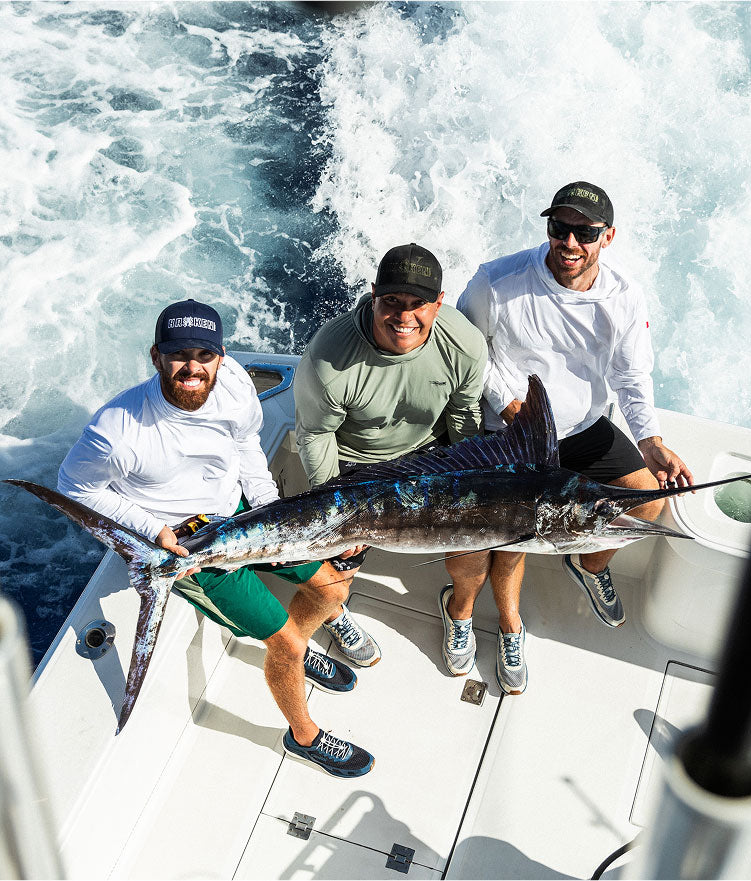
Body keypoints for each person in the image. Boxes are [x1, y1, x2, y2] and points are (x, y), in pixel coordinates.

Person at [57, 299, 374, 778]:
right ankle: (304, 734)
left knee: (332, 588)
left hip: (242, 515)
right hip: (187, 548)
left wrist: (270, 509)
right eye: (178, 355)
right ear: (156, 356)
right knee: (286, 645)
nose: (192, 367)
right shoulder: (115, 430)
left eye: (204, 355)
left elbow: (246, 445)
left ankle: (299, 645)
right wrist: (154, 530)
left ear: (220, 357)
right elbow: (74, 488)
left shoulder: (235, 384)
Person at [456, 180, 694, 651]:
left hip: (582, 427)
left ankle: (589, 566)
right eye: (559, 228)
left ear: (608, 237)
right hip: (511, 433)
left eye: (585, 233)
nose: (569, 242)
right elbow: (465, 350)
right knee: (511, 540)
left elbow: (631, 374)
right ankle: (504, 622)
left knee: (646, 504)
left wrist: (650, 441)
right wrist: (506, 401)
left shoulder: (625, 295)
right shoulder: (496, 281)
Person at [294, 244, 531, 696]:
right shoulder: (328, 359)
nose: (404, 316)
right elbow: (316, 436)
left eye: (417, 304)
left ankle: (459, 611)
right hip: (358, 466)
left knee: (475, 546)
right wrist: (338, 517)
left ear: (439, 302)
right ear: (373, 295)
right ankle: (335, 614)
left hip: (431, 458)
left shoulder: (464, 344)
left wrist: (471, 486)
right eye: (392, 302)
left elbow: (463, 416)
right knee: (333, 573)